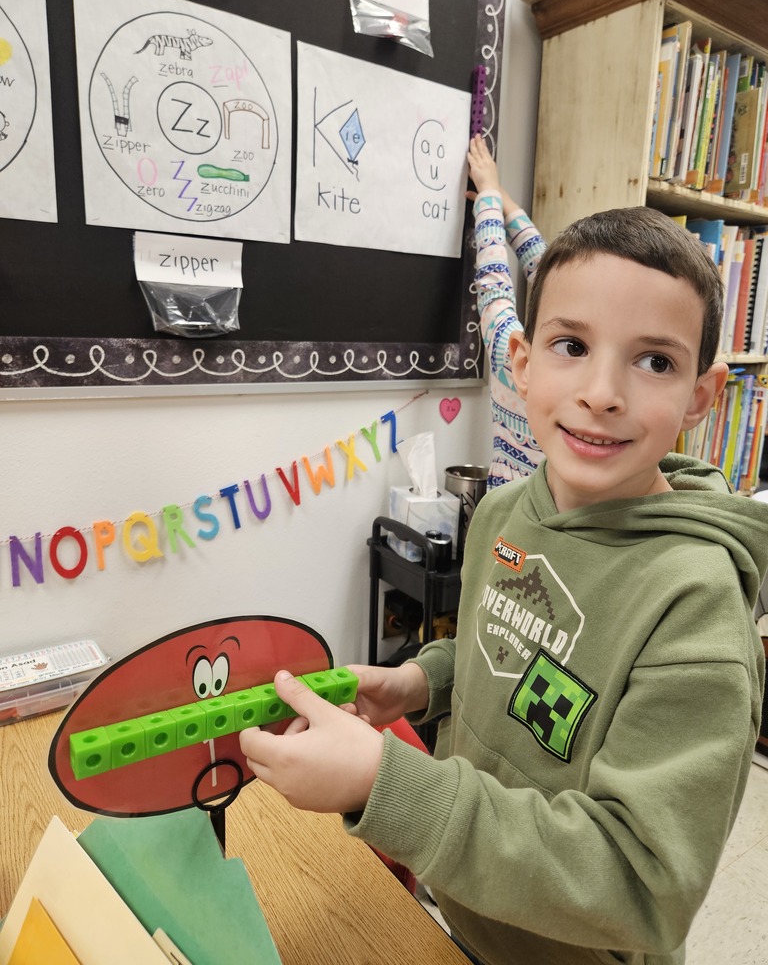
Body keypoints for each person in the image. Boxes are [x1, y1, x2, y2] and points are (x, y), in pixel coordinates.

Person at [240, 205, 768, 965]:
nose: (602, 392)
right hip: (462, 913)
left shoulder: (696, 610)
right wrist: (421, 681)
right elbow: (505, 649)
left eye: (655, 361)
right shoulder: (500, 511)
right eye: (572, 346)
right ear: (521, 361)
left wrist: (389, 785)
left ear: (700, 395)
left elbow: (644, 888)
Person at [466, 133, 547, 487]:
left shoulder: (515, 361)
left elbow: (493, 288)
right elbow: (554, 275)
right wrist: (501, 199)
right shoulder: (596, 384)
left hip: (509, 519)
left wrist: (489, 196)